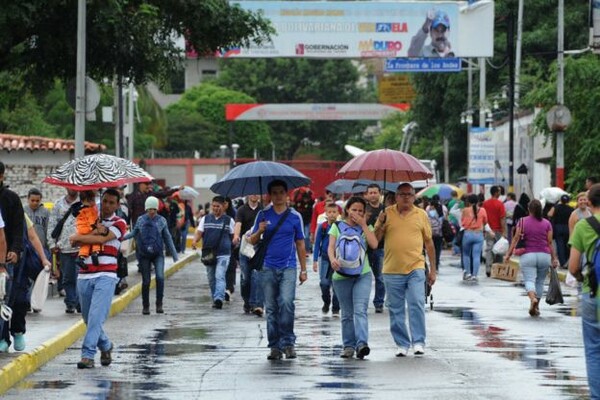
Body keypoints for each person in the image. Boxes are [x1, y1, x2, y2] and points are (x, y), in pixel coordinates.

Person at [374, 183, 437, 357]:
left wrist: (433, 269)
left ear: (414, 196)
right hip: (391, 269)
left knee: (416, 302)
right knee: (396, 309)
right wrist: (379, 223)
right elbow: (375, 241)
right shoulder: (387, 214)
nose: (406, 197)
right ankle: (402, 343)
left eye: (409, 194)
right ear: (396, 196)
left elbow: (429, 243)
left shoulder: (421, 215)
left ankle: (418, 341)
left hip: (415, 267)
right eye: (402, 194)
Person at [247, 180, 307, 360]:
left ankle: (288, 343)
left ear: (286, 194)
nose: (278, 196)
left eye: (281, 192)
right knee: (271, 308)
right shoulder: (263, 215)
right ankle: (274, 346)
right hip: (267, 267)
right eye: (274, 192)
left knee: (287, 303)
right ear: (270, 195)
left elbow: (300, 243)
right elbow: (252, 241)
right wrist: (260, 230)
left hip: (288, 267)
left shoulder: (295, 216)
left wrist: (304, 269)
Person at [70, 188, 127, 369]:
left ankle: (87, 355)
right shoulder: (89, 216)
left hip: (106, 275)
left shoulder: (120, 223)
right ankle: (106, 345)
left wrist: (84, 237)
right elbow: (74, 239)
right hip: (85, 274)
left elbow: (102, 240)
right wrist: (89, 233)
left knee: (96, 317)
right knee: (88, 319)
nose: (108, 206)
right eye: (106, 201)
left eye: (112, 202)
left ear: (118, 205)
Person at [328, 197, 379, 359]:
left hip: (362, 274)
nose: (356, 213)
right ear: (347, 210)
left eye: (360, 211)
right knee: (347, 313)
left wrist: (364, 225)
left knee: (360, 310)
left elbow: (374, 244)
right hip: (341, 275)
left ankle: (362, 343)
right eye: (354, 210)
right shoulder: (337, 226)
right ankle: (348, 345)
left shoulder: (366, 227)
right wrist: (332, 260)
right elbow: (330, 247)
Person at [568, 183, 600, 398]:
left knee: (593, 351)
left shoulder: (582, 225)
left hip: (592, 294)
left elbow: (573, 267)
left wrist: (584, 279)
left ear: (588, 201)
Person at [124, 196, 178, 315]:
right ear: (146, 209)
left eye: (154, 209)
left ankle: (159, 304)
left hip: (158, 253)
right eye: (149, 209)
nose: (152, 212)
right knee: (146, 281)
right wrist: (120, 237)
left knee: (160, 277)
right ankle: (146, 306)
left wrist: (174, 255)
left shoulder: (162, 220)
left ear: (157, 209)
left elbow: (167, 237)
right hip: (144, 254)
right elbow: (134, 233)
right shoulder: (140, 220)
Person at [505, 199, 559, 317]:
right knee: (540, 281)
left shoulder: (522, 221)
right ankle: (536, 306)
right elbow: (550, 242)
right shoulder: (546, 223)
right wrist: (554, 258)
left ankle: (532, 299)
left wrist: (508, 254)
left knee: (529, 280)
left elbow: (515, 239)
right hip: (544, 255)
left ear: (528, 209)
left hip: (528, 255)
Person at [191, 196, 234, 310]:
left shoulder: (229, 220)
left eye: (218, 206)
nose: (215, 208)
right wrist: (195, 241)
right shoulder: (205, 219)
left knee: (219, 276)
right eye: (213, 206)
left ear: (223, 206)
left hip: (224, 254)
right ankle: (216, 297)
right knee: (211, 278)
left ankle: (219, 299)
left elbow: (232, 236)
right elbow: (199, 232)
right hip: (209, 254)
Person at [0, 162, 25, 352]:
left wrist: (15, 250)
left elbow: (19, 229)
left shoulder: (11, 199)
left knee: (6, 299)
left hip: (6, 258)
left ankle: (7, 338)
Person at [48, 188, 81, 313]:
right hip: (64, 247)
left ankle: (79, 302)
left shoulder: (84, 203)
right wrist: (52, 244)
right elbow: (52, 224)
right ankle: (70, 302)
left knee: (80, 277)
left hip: (81, 247)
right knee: (67, 277)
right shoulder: (58, 204)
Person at [232, 194, 264, 315]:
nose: (255, 196)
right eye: (252, 193)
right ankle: (247, 301)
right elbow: (238, 224)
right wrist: (236, 236)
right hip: (245, 247)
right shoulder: (241, 210)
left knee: (258, 276)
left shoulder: (264, 209)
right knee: (246, 279)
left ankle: (258, 304)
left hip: (259, 247)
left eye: (257, 193)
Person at [313, 202, 340, 316]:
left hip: (337, 259)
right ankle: (326, 301)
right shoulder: (323, 227)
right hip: (324, 258)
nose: (332, 214)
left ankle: (336, 307)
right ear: (326, 213)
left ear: (338, 213)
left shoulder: (341, 226)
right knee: (324, 283)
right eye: (329, 212)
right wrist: (315, 260)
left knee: (337, 284)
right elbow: (317, 243)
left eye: (334, 212)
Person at [364, 184, 386, 313]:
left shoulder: (385, 210)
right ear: (367, 195)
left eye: (375, 192)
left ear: (379, 193)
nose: (373, 195)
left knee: (380, 277)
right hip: (365, 248)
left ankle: (379, 302)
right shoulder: (364, 210)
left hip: (381, 248)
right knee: (364, 277)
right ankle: (362, 301)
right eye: (370, 193)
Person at [461, 194, 488, 281]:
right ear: (478, 201)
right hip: (478, 234)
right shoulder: (482, 210)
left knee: (466, 255)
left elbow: (462, 222)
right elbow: (485, 221)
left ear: (468, 201)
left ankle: (468, 273)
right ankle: (474, 275)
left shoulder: (465, 210)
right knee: (476, 256)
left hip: (467, 234)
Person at [482, 186, 506, 277]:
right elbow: (502, 219)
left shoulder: (485, 204)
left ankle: (488, 269)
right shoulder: (500, 204)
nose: (500, 193)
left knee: (489, 249)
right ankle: (498, 269)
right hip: (498, 230)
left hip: (489, 230)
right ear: (496, 193)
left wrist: (485, 229)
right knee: (499, 250)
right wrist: (504, 231)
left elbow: (484, 218)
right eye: (499, 192)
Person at [75, 190, 101, 268]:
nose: (94, 202)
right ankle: (95, 252)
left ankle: (81, 257)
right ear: (87, 200)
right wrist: (94, 226)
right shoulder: (89, 209)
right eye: (93, 200)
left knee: (85, 244)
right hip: (88, 228)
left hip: (81, 229)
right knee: (96, 239)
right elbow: (91, 220)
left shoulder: (80, 209)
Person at [548, 194, 574, 267]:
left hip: (558, 227)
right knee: (567, 245)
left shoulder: (556, 207)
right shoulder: (571, 209)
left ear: (561, 200)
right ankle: (567, 261)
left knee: (560, 245)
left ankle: (562, 262)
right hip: (567, 227)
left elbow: (549, 214)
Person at [425, 194, 446, 271]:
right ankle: (436, 265)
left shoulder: (428, 208)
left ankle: (431, 264)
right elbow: (444, 219)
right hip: (439, 233)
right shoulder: (442, 208)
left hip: (429, 232)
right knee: (437, 250)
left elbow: (426, 219)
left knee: (430, 249)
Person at [291, 186, 315, 253]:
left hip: (307, 221)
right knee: (300, 236)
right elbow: (294, 201)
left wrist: (309, 191)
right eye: (305, 199)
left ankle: (307, 249)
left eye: (307, 199)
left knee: (307, 236)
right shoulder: (298, 202)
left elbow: (312, 199)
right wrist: (298, 191)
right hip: (300, 222)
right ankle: (302, 249)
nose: (305, 200)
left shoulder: (310, 203)